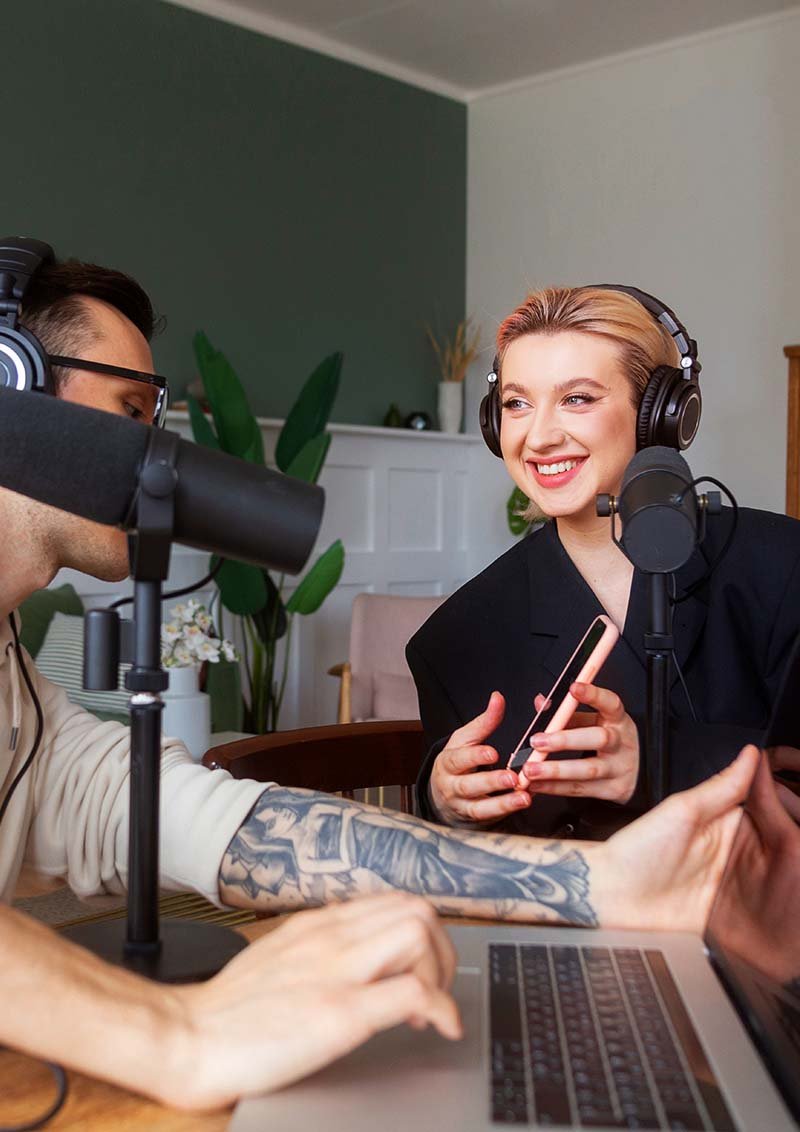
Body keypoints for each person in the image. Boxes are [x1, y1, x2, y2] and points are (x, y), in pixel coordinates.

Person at [0, 250, 767, 1110]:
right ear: (8, 385)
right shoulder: (471, 628)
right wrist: (180, 1035)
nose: (155, 447)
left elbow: (209, 821)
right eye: (131, 410)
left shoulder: (25, 707)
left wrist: (603, 883)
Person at [409, 285, 800, 836]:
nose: (539, 437)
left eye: (577, 398)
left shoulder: (783, 566)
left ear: (660, 413)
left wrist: (660, 764)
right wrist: (440, 799)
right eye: (517, 404)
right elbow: (466, 847)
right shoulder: (453, 639)